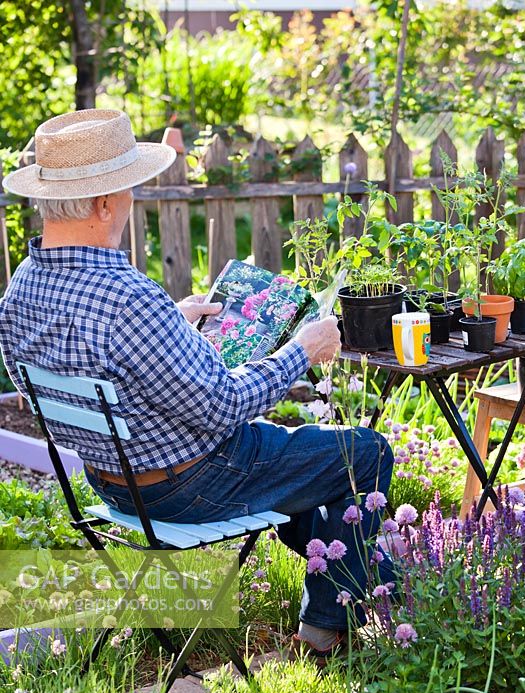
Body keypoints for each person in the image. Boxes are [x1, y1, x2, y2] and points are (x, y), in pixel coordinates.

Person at [0, 109, 396, 659]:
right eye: (129, 188)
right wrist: (300, 351)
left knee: (308, 469)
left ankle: (356, 589)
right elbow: (225, 406)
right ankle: (350, 604)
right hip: (187, 486)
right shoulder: (126, 297)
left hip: (110, 482)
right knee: (366, 452)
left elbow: (42, 375)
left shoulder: (24, 282)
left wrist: (174, 320)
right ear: (106, 202)